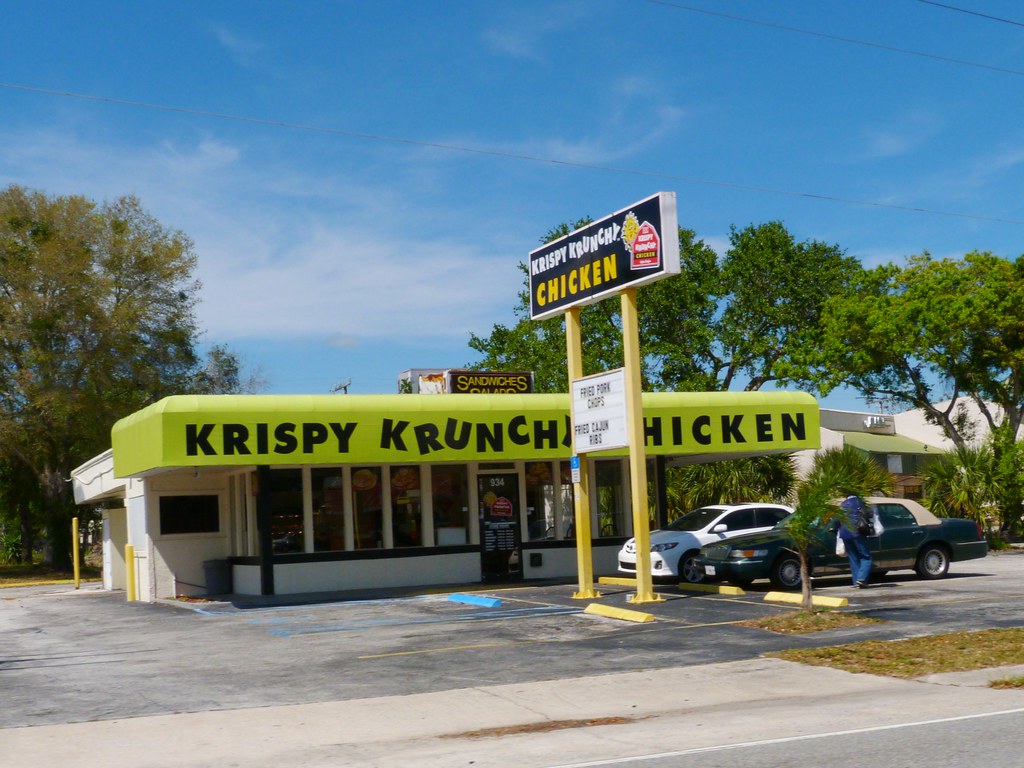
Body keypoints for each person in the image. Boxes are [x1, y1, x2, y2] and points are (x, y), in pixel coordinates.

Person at [838, 495, 874, 588]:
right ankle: (861, 579)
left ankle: (856, 582)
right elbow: (870, 514)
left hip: (845, 534)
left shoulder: (843, 504)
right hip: (857, 532)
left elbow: (837, 519)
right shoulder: (860, 502)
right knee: (866, 557)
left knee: (853, 558)